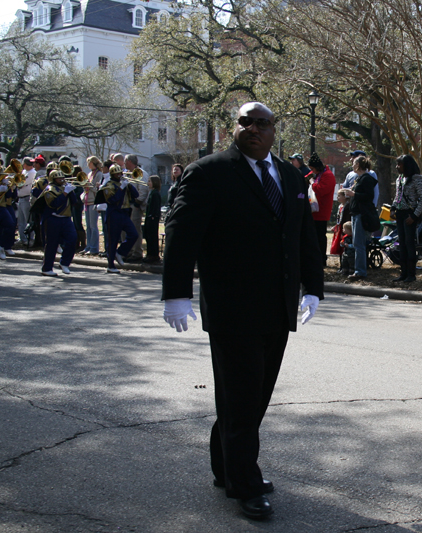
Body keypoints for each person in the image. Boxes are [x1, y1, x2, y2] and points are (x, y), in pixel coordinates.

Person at [161, 101, 324, 520]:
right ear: (233, 127)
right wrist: (177, 293)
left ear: (274, 130)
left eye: (262, 123)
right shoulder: (209, 172)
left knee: (253, 398)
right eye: (245, 122)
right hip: (233, 306)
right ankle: (244, 483)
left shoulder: (289, 176)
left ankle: (226, 467)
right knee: (242, 395)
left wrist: (313, 289)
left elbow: (304, 236)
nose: (253, 129)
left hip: (278, 305)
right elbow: (181, 234)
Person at [95, 164, 139, 274]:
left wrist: (129, 185)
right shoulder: (108, 185)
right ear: (112, 175)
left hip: (125, 213)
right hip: (114, 214)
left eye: (121, 173)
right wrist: (121, 188)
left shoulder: (124, 183)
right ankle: (110, 265)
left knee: (134, 234)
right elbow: (112, 200)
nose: (120, 175)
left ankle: (120, 252)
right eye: (117, 174)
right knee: (113, 240)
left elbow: (136, 195)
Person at [391, 154, 422, 283]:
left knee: (409, 243)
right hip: (400, 213)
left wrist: (414, 215)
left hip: (409, 214)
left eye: (400, 164)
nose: (397, 167)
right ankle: (403, 273)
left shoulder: (416, 179)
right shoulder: (399, 179)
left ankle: (411, 274)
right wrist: (393, 208)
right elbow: (397, 197)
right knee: (401, 243)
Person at [38, 164, 79, 276]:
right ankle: (47, 268)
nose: (61, 179)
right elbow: (54, 204)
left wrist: (71, 191)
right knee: (52, 243)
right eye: (58, 178)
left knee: (72, 239)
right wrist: (65, 192)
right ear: (53, 179)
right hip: (53, 218)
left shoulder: (65, 187)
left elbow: (75, 202)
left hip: (65, 219)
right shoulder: (49, 189)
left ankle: (64, 263)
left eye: (62, 177)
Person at [342, 155, 378, 281]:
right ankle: (359, 270)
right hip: (356, 213)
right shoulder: (359, 179)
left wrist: (353, 194)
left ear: (358, 165)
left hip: (361, 215)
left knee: (359, 244)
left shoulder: (366, 179)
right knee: (357, 243)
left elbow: (368, 196)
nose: (352, 164)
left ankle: (360, 271)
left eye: (354, 163)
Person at [306, 153, 336, 266]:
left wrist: (312, 184)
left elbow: (321, 190)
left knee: (320, 236)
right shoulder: (317, 174)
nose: (311, 171)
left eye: (312, 168)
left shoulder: (328, 175)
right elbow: (306, 177)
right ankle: (313, 258)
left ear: (317, 167)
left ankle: (322, 259)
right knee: (312, 236)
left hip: (321, 210)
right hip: (313, 209)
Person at [123, 154, 148, 262]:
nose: (124, 163)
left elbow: (143, 190)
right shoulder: (128, 174)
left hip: (135, 206)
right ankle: (128, 251)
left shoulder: (140, 173)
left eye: (125, 161)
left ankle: (137, 252)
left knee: (135, 229)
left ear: (129, 161)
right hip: (126, 206)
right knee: (126, 230)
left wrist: (137, 203)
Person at [81, 156, 103, 255]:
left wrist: (89, 186)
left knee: (93, 226)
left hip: (93, 202)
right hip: (87, 201)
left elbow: (97, 189)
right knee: (88, 226)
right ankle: (88, 246)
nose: (88, 164)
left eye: (89, 162)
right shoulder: (89, 174)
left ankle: (94, 248)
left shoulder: (99, 174)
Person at [15, 157, 36, 247]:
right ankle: (23, 239)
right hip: (20, 198)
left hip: (27, 198)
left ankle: (30, 239)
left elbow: (21, 183)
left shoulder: (32, 172)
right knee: (21, 221)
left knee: (28, 220)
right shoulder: (24, 172)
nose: (30, 165)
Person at [142, 175, 162, 264]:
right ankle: (149, 254)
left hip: (152, 218)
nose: (148, 183)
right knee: (148, 236)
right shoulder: (152, 192)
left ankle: (153, 255)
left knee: (152, 237)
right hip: (149, 217)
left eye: (150, 181)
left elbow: (156, 207)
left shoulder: (155, 193)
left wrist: (153, 215)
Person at [329, 190, 349, 257]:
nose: (337, 197)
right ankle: (341, 257)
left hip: (344, 227)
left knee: (343, 242)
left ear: (344, 197)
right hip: (339, 227)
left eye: (339, 196)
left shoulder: (347, 206)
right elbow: (338, 218)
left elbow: (346, 218)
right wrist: (336, 225)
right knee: (339, 243)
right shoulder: (340, 206)